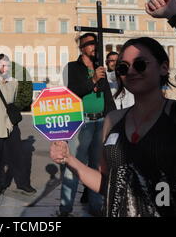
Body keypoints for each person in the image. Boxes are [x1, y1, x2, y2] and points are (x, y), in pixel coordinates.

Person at [51, 0, 176, 216]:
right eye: (122, 67)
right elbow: (108, 185)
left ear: (163, 67)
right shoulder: (113, 120)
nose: (130, 71)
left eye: (140, 64)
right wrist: (70, 159)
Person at [60, 33, 116, 217]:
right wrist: (92, 80)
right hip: (81, 122)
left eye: (96, 44)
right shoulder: (72, 68)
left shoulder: (100, 67)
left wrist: (113, 118)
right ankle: (65, 208)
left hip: (100, 121)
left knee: (97, 165)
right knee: (73, 163)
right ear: (82, 47)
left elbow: (107, 95)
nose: (94, 47)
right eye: (90, 44)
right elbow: (71, 92)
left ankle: (96, 206)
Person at [0, 54, 36, 195]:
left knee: (18, 156)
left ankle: (23, 184)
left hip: (11, 124)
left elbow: (15, 101)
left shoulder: (14, 82)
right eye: (2, 65)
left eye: (7, 65)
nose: (5, 68)